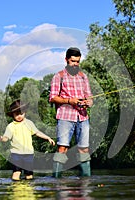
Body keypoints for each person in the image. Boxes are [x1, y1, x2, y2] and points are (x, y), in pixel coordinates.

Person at [49, 47, 93, 178]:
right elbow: (52, 97)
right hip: (65, 116)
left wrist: (88, 102)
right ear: (66, 60)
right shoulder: (59, 76)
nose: (75, 64)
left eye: (78, 61)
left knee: (84, 149)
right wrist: (69, 101)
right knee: (62, 148)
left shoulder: (83, 77)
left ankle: (85, 180)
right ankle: (56, 179)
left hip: (83, 117)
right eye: (73, 61)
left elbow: (89, 97)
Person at [0, 99, 55, 180]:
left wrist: (48, 138)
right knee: (16, 173)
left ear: (25, 112)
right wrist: (1, 138)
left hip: (28, 154)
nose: (19, 116)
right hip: (16, 154)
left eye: (21, 113)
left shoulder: (29, 123)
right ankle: (16, 190)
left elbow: (37, 132)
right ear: (12, 115)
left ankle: (28, 190)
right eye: (17, 114)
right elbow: (6, 138)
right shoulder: (11, 126)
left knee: (29, 175)